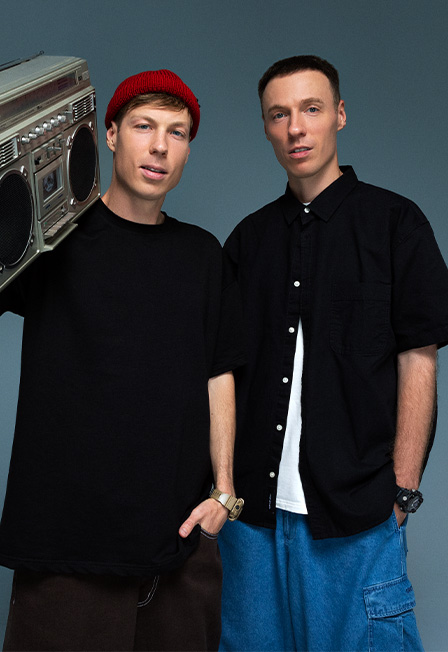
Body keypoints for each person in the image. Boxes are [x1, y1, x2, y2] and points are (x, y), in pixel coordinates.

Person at [0, 69, 245, 651]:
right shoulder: (51, 242)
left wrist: (224, 493)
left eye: (177, 132)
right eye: (143, 126)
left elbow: (219, 373)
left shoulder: (202, 255)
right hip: (65, 551)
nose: (160, 146)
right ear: (108, 135)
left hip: (178, 549)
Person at [219, 55, 448, 652]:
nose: (296, 127)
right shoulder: (247, 240)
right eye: (279, 114)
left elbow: (418, 361)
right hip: (252, 523)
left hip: (358, 519)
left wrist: (403, 491)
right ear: (266, 127)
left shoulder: (397, 223)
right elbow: (221, 374)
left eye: (311, 109)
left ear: (339, 115)